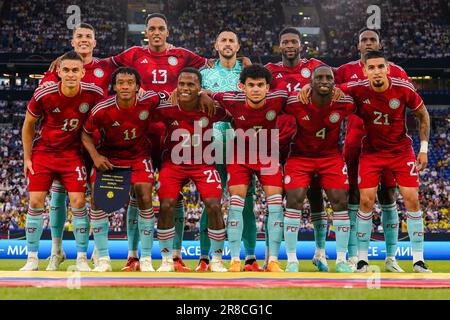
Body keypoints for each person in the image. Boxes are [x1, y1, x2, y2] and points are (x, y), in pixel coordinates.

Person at [342, 50, 432, 273]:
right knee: (366, 201)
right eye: (371, 68)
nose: (376, 71)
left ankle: (418, 260)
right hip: (371, 153)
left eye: (380, 67)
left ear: (388, 69)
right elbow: (328, 91)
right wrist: (308, 88)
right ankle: (362, 260)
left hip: (401, 152)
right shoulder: (357, 88)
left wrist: (423, 149)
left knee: (412, 200)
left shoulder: (402, 87)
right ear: (364, 71)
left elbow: (423, 115)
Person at [334, 27, 413, 272]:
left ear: (379, 45)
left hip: (389, 144)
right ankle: (355, 256)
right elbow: (328, 93)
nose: (368, 43)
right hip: (356, 142)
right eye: (364, 40)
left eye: (372, 40)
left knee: (388, 196)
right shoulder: (344, 71)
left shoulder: (396, 71)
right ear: (357, 46)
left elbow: (410, 100)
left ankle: (391, 258)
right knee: (355, 198)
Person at [41, 23, 118, 271]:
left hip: (97, 142)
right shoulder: (60, 68)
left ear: (95, 42)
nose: (84, 40)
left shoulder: (107, 67)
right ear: (73, 42)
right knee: (59, 197)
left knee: (99, 196)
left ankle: (98, 251)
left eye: (88, 37)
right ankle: (56, 250)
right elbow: (41, 99)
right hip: (65, 145)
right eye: (79, 37)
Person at [20, 51, 104, 271]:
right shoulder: (44, 94)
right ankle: (32, 259)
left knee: (78, 202)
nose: (70, 74)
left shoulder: (93, 93)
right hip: (44, 153)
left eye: (75, 70)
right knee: (36, 202)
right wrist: (27, 157)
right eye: (65, 70)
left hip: (72, 154)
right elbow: (28, 125)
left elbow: (105, 118)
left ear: (83, 72)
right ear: (58, 71)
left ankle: (81, 259)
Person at [266, 26, 340, 272]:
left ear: (300, 45)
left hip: (311, 142)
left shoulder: (316, 68)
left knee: (317, 197)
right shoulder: (270, 71)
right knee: (281, 202)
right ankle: (276, 256)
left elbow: (333, 85)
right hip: (277, 144)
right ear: (279, 46)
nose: (289, 46)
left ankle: (320, 253)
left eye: (293, 42)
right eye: (285, 41)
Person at [81, 67, 163, 272]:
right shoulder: (102, 108)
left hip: (138, 157)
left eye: (130, 82)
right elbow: (85, 134)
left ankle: (145, 259)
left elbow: (169, 95)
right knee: (98, 202)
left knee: (145, 195)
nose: (125, 86)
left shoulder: (149, 100)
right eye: (121, 83)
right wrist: (96, 157)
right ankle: (103, 259)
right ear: (114, 86)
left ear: (137, 86)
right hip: (110, 158)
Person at [211, 64, 289, 272]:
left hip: (267, 154)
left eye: (260, 85)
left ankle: (272, 260)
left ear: (267, 88)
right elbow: (206, 94)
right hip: (239, 156)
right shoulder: (230, 98)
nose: (256, 89)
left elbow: (301, 97)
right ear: (242, 86)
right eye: (251, 85)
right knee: (235, 205)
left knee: (275, 207)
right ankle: (235, 260)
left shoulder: (279, 98)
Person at [197, 29, 263, 272]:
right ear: (216, 45)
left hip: (243, 149)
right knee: (211, 203)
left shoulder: (247, 73)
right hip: (212, 148)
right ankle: (205, 258)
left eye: (231, 41)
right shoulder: (204, 73)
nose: (226, 44)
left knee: (245, 205)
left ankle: (250, 258)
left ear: (238, 46)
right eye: (222, 39)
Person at [153, 68, 228, 272]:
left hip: (203, 163)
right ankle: (167, 260)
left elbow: (236, 112)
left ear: (199, 87)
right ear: (176, 86)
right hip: (173, 164)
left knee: (213, 205)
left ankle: (217, 260)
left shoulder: (210, 107)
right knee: (167, 204)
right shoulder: (165, 108)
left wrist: (209, 95)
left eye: (191, 84)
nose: (186, 88)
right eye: (182, 84)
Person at [283, 65, 353, 273]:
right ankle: (292, 259)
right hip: (299, 157)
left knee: (340, 202)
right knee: (294, 201)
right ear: (311, 82)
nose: (324, 81)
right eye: (319, 77)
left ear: (334, 81)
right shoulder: (295, 102)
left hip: (330, 157)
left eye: (328, 78)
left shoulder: (345, 102)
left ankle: (341, 259)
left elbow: (362, 93)